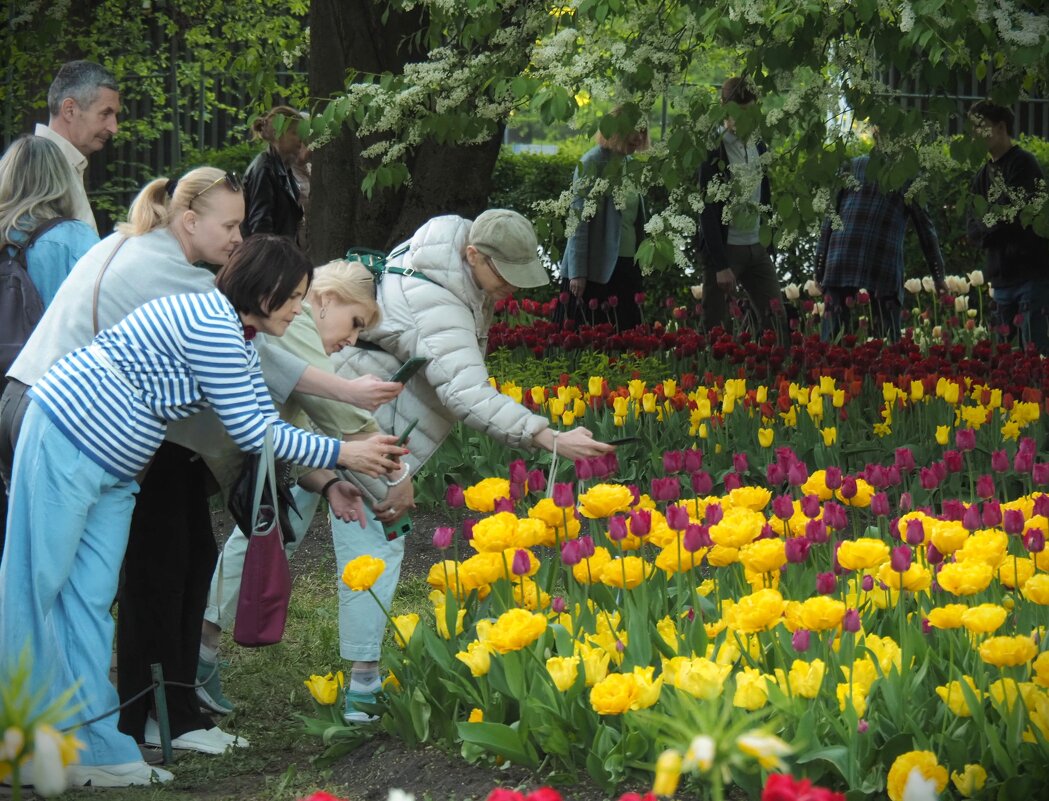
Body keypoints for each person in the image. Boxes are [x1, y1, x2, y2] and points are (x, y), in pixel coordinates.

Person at [0, 168, 400, 770]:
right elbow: (256, 433)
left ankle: (91, 746)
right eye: (293, 301)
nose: (298, 315)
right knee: (36, 587)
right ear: (265, 293)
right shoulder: (210, 319)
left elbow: (263, 421)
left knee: (86, 598)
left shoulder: (233, 336)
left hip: (117, 466)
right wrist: (346, 452)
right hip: (67, 435)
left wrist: (330, 473)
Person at [331, 210, 615, 710]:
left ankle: (202, 649)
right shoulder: (437, 299)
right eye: (503, 276)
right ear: (473, 255)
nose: (510, 290)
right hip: (362, 424)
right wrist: (548, 437)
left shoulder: (438, 262)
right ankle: (362, 687)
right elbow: (466, 393)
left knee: (268, 526)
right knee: (376, 541)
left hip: (347, 412)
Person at [198, 260, 409, 724]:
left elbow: (289, 433)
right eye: (354, 322)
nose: (353, 340)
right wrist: (396, 475)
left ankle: (200, 655)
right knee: (256, 537)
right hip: (197, 447)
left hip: (227, 453)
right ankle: (362, 683)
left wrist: (331, 480)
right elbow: (339, 420)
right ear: (325, 298)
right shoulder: (295, 328)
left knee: (257, 535)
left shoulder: (292, 329)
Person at [0, 135, 99, 549]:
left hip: (4, 392)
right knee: (55, 530)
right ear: (61, 182)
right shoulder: (74, 239)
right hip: (52, 396)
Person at [815, 139, 947, 342]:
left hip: (840, 257)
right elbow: (926, 230)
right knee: (886, 342)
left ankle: (824, 371)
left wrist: (820, 267)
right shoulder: (909, 177)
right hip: (881, 262)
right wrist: (938, 277)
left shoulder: (850, 166)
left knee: (831, 340)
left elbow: (828, 218)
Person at [697, 77, 782, 333]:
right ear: (725, 108)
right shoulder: (714, 149)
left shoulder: (758, 144)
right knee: (715, 327)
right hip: (726, 249)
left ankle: (773, 371)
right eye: (740, 112)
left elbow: (764, 194)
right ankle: (707, 373)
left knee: (776, 320)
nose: (746, 119)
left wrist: (769, 240)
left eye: (751, 112)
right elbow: (707, 210)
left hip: (756, 246)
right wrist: (720, 265)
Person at [966, 100, 1049, 351]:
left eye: (982, 127)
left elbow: (1015, 215)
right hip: (1001, 281)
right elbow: (972, 226)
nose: (976, 135)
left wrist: (989, 226)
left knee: (1034, 357)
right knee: (1005, 360)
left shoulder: (1024, 164)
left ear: (1001, 127)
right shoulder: (981, 176)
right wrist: (993, 224)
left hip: (1030, 276)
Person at [559, 110, 648, 330]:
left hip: (627, 266)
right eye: (634, 131)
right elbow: (578, 221)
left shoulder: (632, 164)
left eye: (643, 131)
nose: (639, 137)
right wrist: (577, 272)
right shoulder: (592, 162)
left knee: (627, 341)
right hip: (594, 272)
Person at [34, 60, 120, 233]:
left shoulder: (51, 164)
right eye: (105, 113)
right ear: (69, 110)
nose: (114, 128)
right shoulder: (37, 170)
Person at [241, 106, 306, 241]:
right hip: (268, 257)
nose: (301, 138)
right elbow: (260, 228)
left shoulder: (283, 168)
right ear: (278, 133)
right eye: (295, 133)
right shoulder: (264, 170)